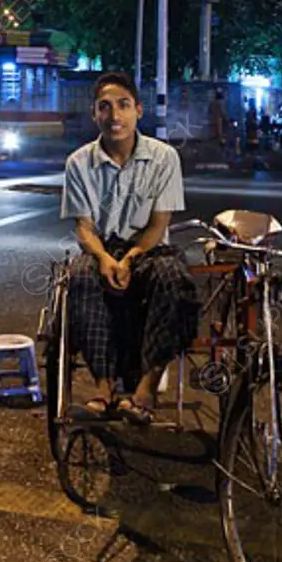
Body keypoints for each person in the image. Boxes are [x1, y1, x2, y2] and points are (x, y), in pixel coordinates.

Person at [60, 71, 200, 424]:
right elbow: (84, 226)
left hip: (147, 251)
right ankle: (103, 389)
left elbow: (158, 226)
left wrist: (132, 257)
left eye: (123, 105)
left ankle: (146, 390)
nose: (114, 116)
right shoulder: (78, 163)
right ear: (95, 115)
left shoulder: (165, 158)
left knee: (173, 279)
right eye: (104, 107)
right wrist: (105, 258)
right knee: (80, 276)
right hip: (102, 248)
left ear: (138, 110)